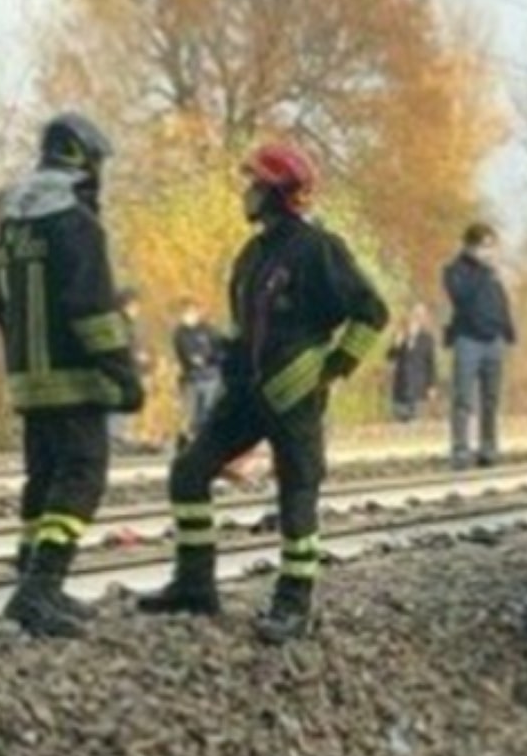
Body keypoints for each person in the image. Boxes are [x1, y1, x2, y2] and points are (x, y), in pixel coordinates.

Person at [139, 142, 389, 643]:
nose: (245, 193)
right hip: (246, 393)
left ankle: (293, 606)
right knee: (188, 472)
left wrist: (334, 366)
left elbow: (372, 312)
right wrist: (220, 398)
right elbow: (246, 330)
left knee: (297, 494)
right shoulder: (252, 255)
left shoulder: (318, 248)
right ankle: (194, 584)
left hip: (295, 396)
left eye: (254, 184)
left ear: (277, 192)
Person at [0, 112, 144, 638]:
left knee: (43, 475)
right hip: (75, 379)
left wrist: (21, 360)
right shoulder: (75, 221)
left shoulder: (13, 220)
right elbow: (92, 308)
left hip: (27, 379)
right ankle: (39, 588)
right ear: (84, 160)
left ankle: (33, 572)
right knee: (82, 477)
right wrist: (123, 373)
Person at [443, 222, 515, 468]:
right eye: (484, 246)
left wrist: (508, 330)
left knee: (491, 399)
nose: (490, 252)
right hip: (467, 340)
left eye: (492, 247)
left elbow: (501, 302)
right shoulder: (455, 270)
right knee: (463, 398)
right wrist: (482, 272)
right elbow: (461, 297)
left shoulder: (493, 275)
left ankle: (488, 448)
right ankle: (460, 449)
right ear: (469, 247)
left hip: (493, 340)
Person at [108, 287, 154, 454]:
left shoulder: (129, 324)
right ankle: (115, 437)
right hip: (124, 370)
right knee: (120, 405)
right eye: (134, 306)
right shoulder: (119, 324)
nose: (137, 310)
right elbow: (123, 348)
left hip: (132, 368)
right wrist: (136, 357)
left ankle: (120, 436)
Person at [173, 297, 223, 444]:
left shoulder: (208, 330)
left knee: (207, 410)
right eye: (186, 311)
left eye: (192, 311)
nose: (189, 315)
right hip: (191, 378)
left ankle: (205, 438)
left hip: (210, 376)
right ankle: (187, 438)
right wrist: (194, 359)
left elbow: (218, 349)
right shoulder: (180, 333)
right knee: (189, 412)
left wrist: (208, 358)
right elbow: (185, 352)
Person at [387, 303, 437, 422]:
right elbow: (389, 357)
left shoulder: (427, 339)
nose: (417, 318)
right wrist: (396, 344)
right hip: (401, 388)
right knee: (401, 425)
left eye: (420, 315)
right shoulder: (400, 335)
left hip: (418, 389)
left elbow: (431, 364)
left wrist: (432, 385)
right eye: (415, 314)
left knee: (416, 425)